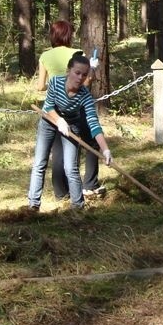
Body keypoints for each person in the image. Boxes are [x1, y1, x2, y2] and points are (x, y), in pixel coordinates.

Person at [29, 52, 113, 210]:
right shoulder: (55, 82)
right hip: (48, 121)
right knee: (40, 163)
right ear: (68, 71)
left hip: (72, 126)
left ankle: (78, 206)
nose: (80, 77)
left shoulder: (85, 96)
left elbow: (94, 124)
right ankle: (33, 205)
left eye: (84, 74)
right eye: (77, 72)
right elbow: (47, 107)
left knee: (71, 167)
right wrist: (58, 120)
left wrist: (105, 149)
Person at [36, 21, 105, 199]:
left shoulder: (45, 56)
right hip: (76, 105)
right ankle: (89, 184)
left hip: (55, 109)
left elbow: (40, 86)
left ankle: (61, 192)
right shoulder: (77, 54)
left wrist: (54, 85)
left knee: (58, 149)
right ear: (68, 35)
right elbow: (85, 83)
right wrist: (92, 70)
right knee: (90, 142)